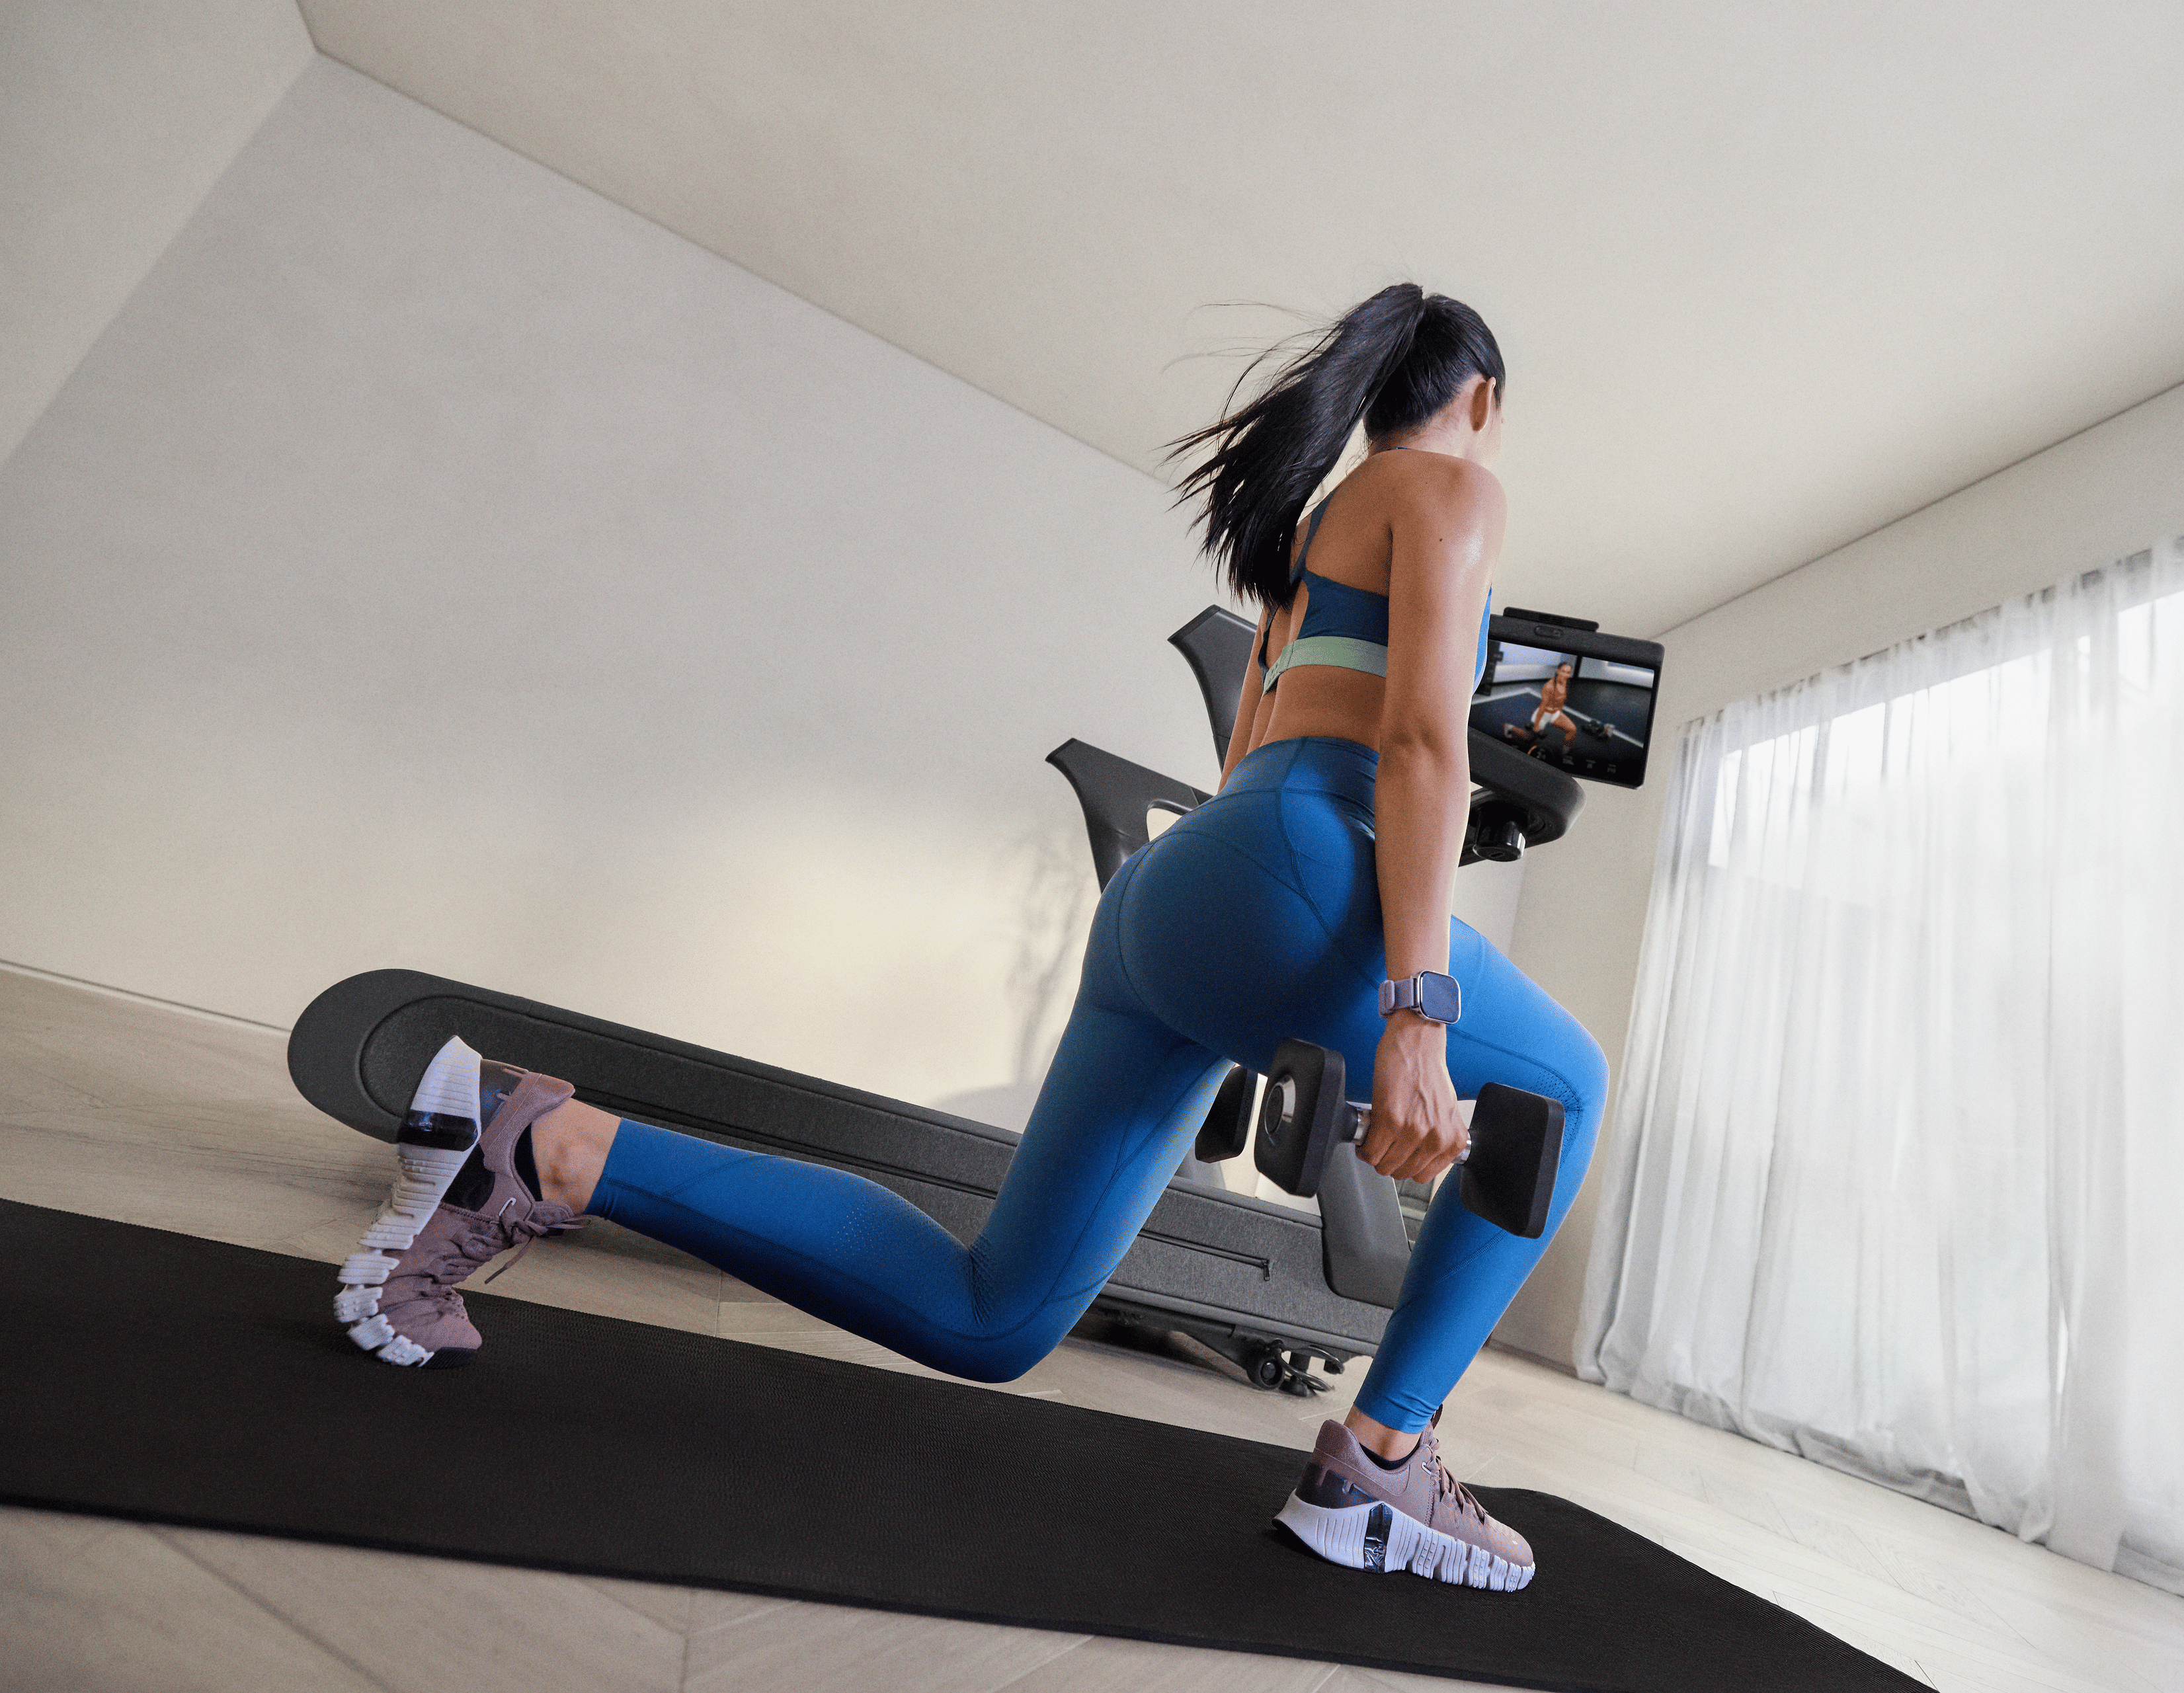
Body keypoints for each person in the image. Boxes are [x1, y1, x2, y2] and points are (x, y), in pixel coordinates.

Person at [331, 282, 1606, 1593]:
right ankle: (1387, 1460)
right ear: (1480, 402)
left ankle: (545, 1142)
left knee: (993, 1311)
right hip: (1294, 867)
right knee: (1566, 1082)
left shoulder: (1302, 538)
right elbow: (1420, 745)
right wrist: (1417, 1008)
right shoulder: (1452, 488)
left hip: (1177, 898)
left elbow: (1264, 766)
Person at [1502, 658, 1581, 752]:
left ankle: (1563, 755)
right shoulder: (1549, 687)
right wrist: (1536, 726)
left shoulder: (1566, 682)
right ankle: (1510, 727)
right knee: (1529, 740)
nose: (1565, 675)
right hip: (1543, 714)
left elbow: (1562, 699)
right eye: (1563, 672)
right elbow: (1543, 707)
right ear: (1558, 671)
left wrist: (1559, 710)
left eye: (1568, 673)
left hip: (1555, 713)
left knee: (1572, 730)